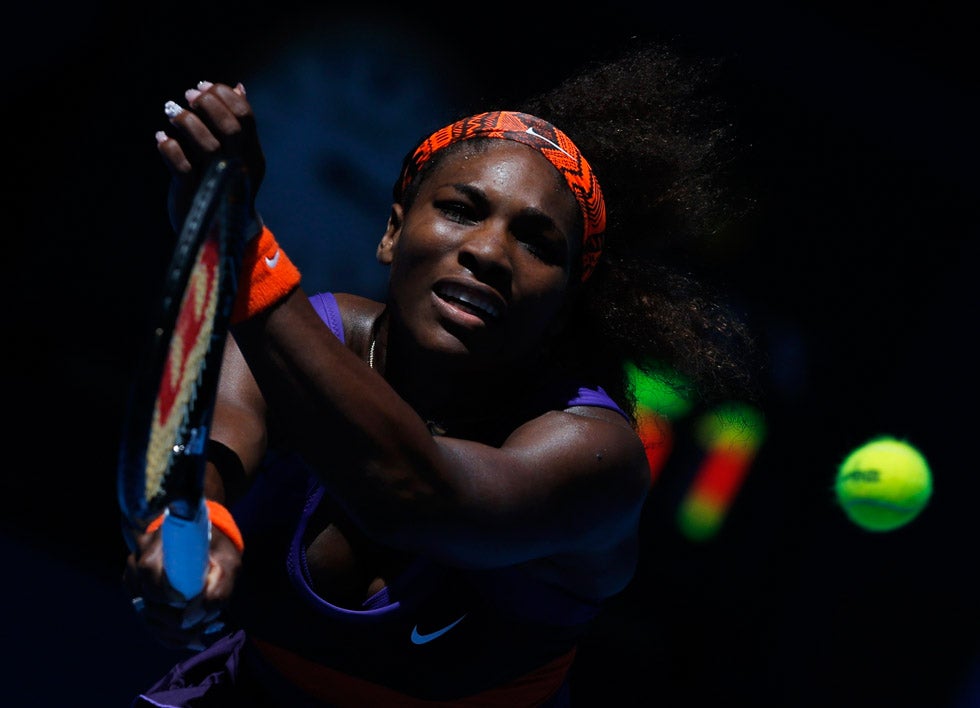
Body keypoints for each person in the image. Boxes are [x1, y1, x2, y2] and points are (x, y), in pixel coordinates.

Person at [124, 42, 759, 707]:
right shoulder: (320, 331)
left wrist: (243, 251)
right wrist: (197, 538)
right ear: (393, 232)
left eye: (537, 243)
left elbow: (413, 495)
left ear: (568, 303)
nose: (487, 252)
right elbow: (208, 456)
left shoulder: (597, 456)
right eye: (461, 209)